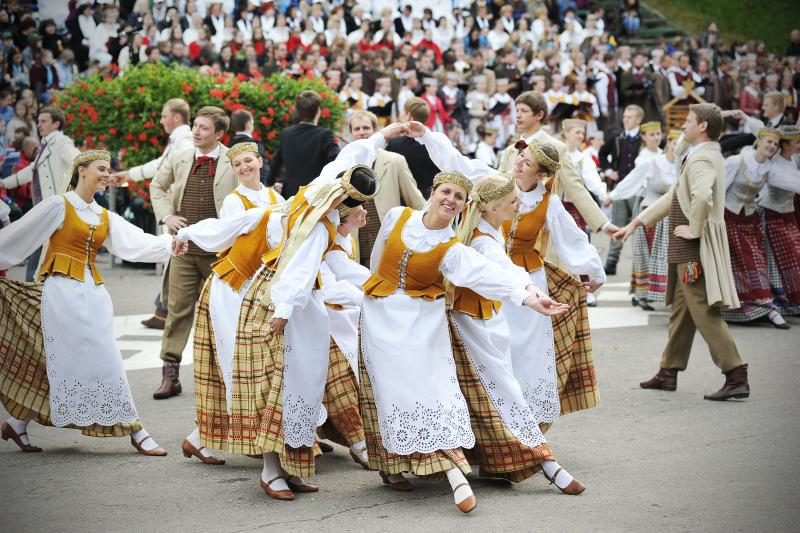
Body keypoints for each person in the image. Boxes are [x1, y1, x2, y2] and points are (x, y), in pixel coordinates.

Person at [358, 168, 568, 513]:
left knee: (435, 395)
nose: (450, 200)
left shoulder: (453, 249)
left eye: (458, 197)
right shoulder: (398, 216)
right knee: (385, 392)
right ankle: (390, 466)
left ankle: (457, 476)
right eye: (446, 192)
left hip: (423, 322)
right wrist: (375, 294)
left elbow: (489, 275)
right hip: (380, 317)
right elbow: (378, 259)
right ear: (433, 190)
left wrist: (529, 296)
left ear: (464, 204)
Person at [225, 127, 393, 501]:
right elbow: (301, 267)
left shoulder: (317, 200)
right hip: (281, 300)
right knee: (278, 385)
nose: (362, 213)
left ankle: (292, 467)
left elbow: (345, 161)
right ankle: (271, 471)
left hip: (301, 302)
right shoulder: (318, 222)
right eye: (359, 208)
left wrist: (380, 288)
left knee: (304, 386)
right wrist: (283, 310)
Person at [417, 125, 606, 427]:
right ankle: (497, 416)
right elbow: (457, 164)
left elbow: (572, 240)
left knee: (527, 351)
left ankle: (525, 419)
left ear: (541, 174)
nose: (518, 162)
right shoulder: (498, 183)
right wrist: (426, 135)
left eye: (527, 162)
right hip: (491, 281)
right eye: (521, 155)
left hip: (530, 278)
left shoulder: (549, 203)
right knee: (496, 347)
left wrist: (594, 272)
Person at [0, 150, 184, 456]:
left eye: (108, 169)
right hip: (61, 293)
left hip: (93, 295)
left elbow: (135, 243)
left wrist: (170, 243)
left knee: (62, 360)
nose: (106, 174)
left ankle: (17, 423)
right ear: (81, 170)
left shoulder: (102, 215)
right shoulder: (59, 205)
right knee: (104, 358)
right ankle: (136, 431)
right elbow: (20, 236)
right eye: (101, 168)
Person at [447, 173, 584, 493]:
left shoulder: (488, 228)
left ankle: (500, 460)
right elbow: (501, 271)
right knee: (504, 394)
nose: (519, 203)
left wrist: (530, 290)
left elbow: (507, 271)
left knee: (487, 396)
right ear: (492, 209)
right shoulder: (481, 240)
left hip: (483, 320)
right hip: (473, 325)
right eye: (512, 201)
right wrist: (530, 295)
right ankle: (546, 463)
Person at [615, 103, 750, 401]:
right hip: (686, 246)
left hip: (691, 247)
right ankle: (668, 371)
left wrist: (695, 229)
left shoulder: (701, 158)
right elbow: (674, 195)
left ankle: (736, 372)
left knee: (702, 309)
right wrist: (637, 223)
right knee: (682, 311)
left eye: (689, 121)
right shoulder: (704, 154)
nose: (684, 126)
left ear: (702, 126)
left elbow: (702, 195)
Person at [169, 142, 286, 466]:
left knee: (259, 363)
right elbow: (223, 232)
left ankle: (204, 438)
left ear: (260, 161)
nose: (244, 167)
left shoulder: (278, 198)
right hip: (234, 288)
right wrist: (187, 233)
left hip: (260, 291)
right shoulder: (235, 202)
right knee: (235, 363)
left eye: (249, 161)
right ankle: (228, 437)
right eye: (238, 164)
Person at [149, 106, 237, 400]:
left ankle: (226, 377)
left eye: (203, 128)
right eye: (195, 126)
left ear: (220, 134)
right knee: (177, 311)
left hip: (220, 252)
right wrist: (167, 218)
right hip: (184, 248)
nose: (196, 132)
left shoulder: (232, 161)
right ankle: (170, 375)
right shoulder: (181, 155)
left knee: (223, 314)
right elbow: (157, 186)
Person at [109, 98, 194, 329]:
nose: (161, 120)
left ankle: (164, 310)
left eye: (164, 115)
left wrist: (128, 175)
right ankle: (163, 309)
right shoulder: (180, 139)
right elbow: (160, 165)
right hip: (174, 207)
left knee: (177, 258)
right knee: (175, 258)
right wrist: (128, 174)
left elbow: (166, 170)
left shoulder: (184, 141)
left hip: (177, 208)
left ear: (176, 117)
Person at [497, 91, 617, 246]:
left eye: (524, 111)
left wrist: (603, 223)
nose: (518, 115)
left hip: (542, 228)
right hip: (508, 226)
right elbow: (498, 184)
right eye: (517, 110)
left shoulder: (557, 148)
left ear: (539, 115)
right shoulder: (510, 150)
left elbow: (575, 187)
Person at [0, 106, 80, 282]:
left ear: (56, 123)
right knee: (40, 250)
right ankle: (38, 291)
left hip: (56, 209)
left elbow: (77, 159)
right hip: (46, 208)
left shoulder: (61, 141)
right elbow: (30, 171)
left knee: (41, 250)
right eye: (38, 121)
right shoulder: (46, 144)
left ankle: (36, 292)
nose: (39, 124)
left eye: (44, 121)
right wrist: (4, 183)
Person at [719, 129, 786, 328]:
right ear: (759, 141)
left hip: (750, 218)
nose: (772, 146)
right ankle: (738, 306)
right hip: (728, 215)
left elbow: (788, 182)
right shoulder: (737, 161)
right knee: (737, 262)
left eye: (775, 144)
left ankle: (765, 305)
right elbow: (719, 190)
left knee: (756, 261)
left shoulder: (769, 169)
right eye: (769, 142)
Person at [346, 110, 425, 266]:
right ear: (351, 133)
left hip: (388, 241)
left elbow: (416, 202)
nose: (362, 132)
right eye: (357, 129)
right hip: (357, 247)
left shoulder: (395, 161)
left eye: (366, 128)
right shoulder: (345, 164)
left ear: (376, 130)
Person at [604, 122, 665, 309]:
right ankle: (641, 294)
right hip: (646, 207)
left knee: (659, 252)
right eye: (652, 134)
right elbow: (630, 182)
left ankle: (654, 290)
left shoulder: (664, 156)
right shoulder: (644, 159)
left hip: (662, 211)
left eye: (658, 134)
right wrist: (612, 196)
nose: (656, 137)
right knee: (644, 252)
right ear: (644, 138)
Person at [759, 125, 800, 317]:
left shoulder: (793, 159)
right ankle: (780, 298)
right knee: (779, 259)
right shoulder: (774, 167)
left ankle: (791, 300)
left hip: (788, 214)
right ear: (785, 145)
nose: (799, 144)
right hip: (772, 214)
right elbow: (795, 184)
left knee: (794, 257)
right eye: (797, 142)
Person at [599, 104, 645, 275]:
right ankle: (611, 262)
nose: (625, 120)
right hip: (620, 187)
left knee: (639, 225)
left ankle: (641, 265)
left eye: (629, 117)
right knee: (617, 225)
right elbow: (602, 154)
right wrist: (610, 171)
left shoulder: (645, 136)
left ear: (639, 119)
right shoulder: (617, 136)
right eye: (624, 116)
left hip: (639, 189)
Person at [270, 90, 341, 198]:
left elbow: (276, 163)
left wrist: (269, 182)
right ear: (318, 111)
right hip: (317, 194)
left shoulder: (287, 133)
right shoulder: (325, 134)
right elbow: (337, 160)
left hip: (291, 194)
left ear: (298, 111)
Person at [385, 97, 441, 196]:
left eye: (402, 111)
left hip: (405, 200)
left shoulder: (395, 144)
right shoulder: (438, 144)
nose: (400, 115)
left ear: (409, 116)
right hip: (431, 197)